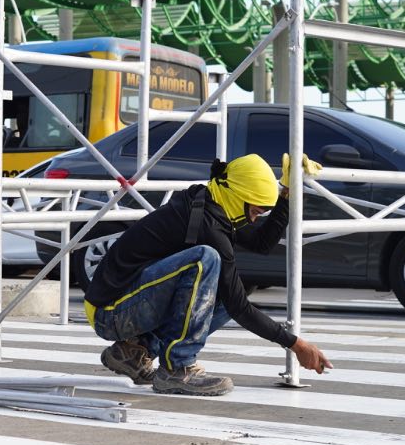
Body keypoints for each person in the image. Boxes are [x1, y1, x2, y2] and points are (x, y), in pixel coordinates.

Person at [85, 153, 332, 396]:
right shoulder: (207, 226)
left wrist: (286, 192)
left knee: (226, 293)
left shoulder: (211, 203)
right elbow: (241, 309)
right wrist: (296, 344)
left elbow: (261, 243)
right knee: (207, 259)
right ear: (239, 198)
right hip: (110, 313)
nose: (254, 219)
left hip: (121, 304)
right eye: (255, 212)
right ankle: (177, 369)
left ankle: (135, 352)